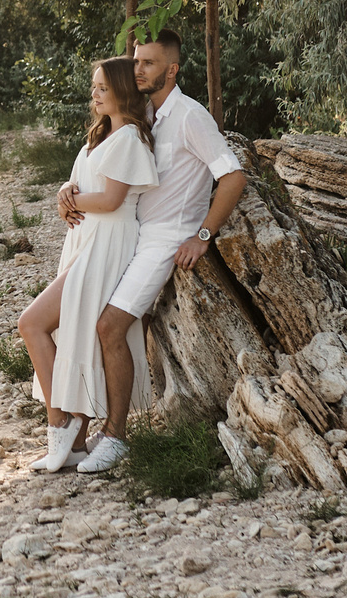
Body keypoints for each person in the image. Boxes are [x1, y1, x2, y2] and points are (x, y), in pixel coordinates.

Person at [54, 31, 248, 474]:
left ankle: (117, 435)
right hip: (130, 235)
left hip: (164, 239)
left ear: (172, 70)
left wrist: (203, 235)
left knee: (110, 325)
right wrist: (70, 187)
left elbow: (232, 176)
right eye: (136, 61)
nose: (137, 69)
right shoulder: (144, 113)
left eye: (147, 63)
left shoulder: (189, 116)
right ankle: (80, 434)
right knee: (89, 320)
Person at [14, 57, 157, 472]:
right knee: (65, 330)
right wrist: (64, 192)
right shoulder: (100, 136)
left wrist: (72, 201)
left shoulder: (130, 137)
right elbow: (82, 182)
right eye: (93, 87)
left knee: (32, 322)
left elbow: (112, 200)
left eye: (101, 88)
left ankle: (63, 421)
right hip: (84, 242)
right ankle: (73, 440)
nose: (93, 95)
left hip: (108, 245)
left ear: (121, 92)